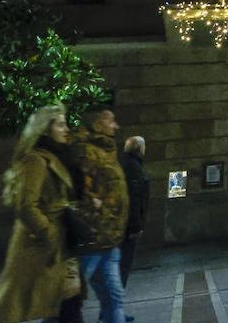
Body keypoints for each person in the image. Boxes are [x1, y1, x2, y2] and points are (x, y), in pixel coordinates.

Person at [0, 105, 83, 323]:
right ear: (45, 129)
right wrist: (49, 233)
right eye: (60, 124)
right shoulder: (37, 160)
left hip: (61, 245)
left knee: (62, 307)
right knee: (63, 308)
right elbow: (25, 205)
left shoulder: (56, 156)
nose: (66, 129)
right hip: (45, 245)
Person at [72, 105, 129, 323]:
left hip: (108, 239)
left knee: (114, 300)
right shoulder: (86, 151)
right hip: (93, 239)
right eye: (110, 121)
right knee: (68, 298)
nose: (116, 126)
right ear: (98, 124)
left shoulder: (106, 150)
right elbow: (80, 191)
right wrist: (96, 215)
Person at [119, 136, 149, 288]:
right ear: (139, 149)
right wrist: (135, 226)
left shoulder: (127, 164)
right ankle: (114, 310)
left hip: (126, 225)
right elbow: (134, 198)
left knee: (122, 267)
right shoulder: (133, 167)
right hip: (129, 227)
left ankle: (114, 309)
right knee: (123, 266)